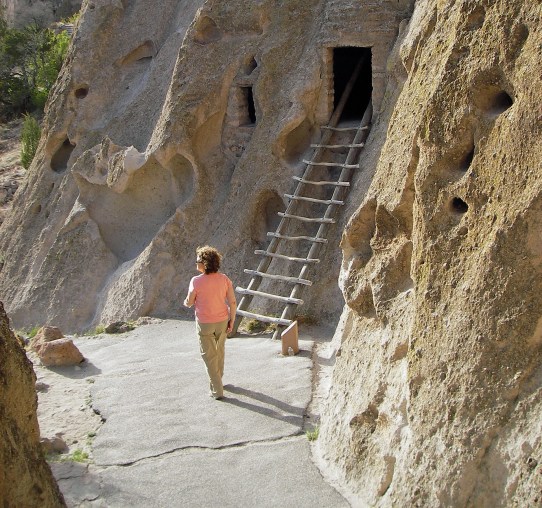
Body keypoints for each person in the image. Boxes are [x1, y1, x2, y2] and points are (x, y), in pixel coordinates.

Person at [184, 246, 237, 400]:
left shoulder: (196, 281)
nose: (196, 264)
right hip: (222, 320)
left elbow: (189, 302)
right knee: (219, 351)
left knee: (208, 356)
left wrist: (186, 302)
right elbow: (232, 302)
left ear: (204, 263)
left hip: (204, 323)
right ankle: (218, 379)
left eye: (197, 261)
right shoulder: (224, 279)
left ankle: (217, 390)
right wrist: (232, 321)